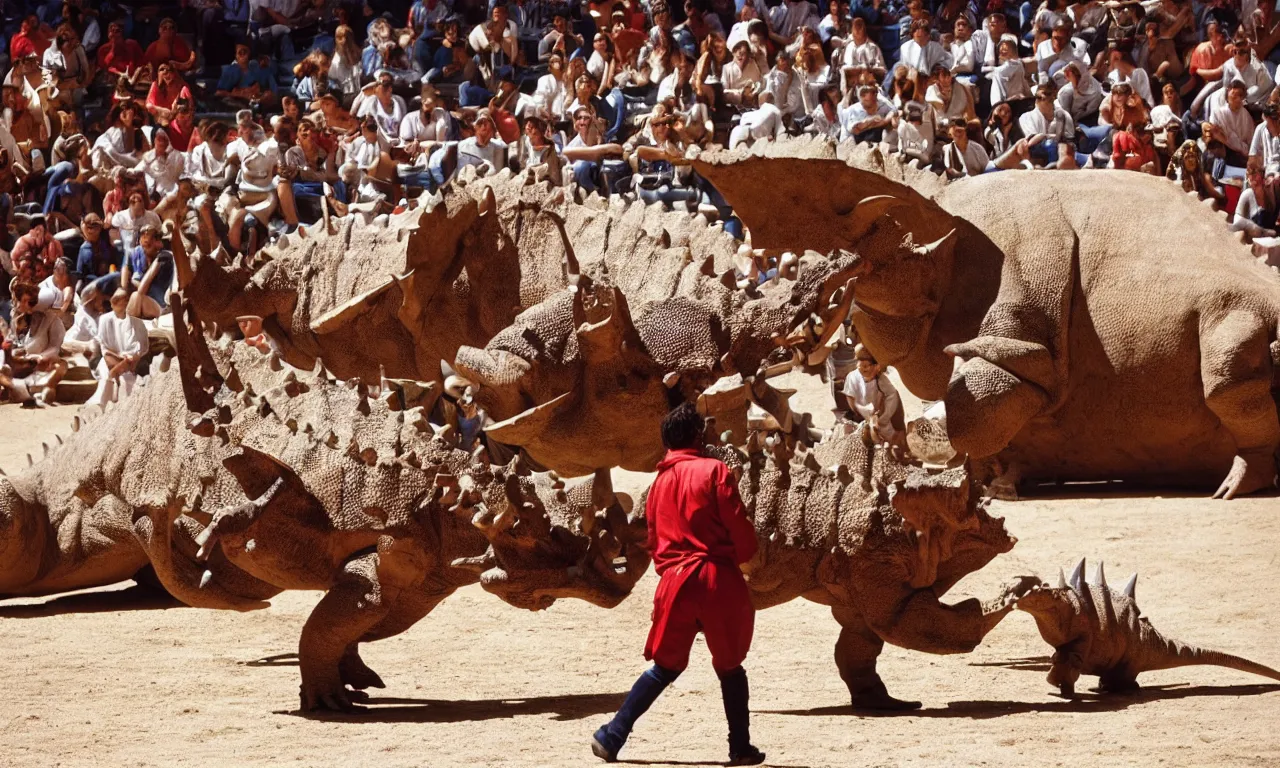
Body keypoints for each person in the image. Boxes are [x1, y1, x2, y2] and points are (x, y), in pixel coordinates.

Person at [591, 402, 765, 767]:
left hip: (675, 582)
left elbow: (654, 540)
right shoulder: (716, 471)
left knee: (664, 667)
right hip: (717, 579)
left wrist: (671, 572)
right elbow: (740, 530)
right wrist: (746, 555)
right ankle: (740, 747)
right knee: (730, 667)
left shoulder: (658, 484)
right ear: (699, 436)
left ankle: (613, 735)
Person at [1, 279, 67, 406]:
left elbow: (55, 347)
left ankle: (45, 388)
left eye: (28, 302)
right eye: (22, 300)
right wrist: (14, 350)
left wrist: (40, 356)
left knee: (60, 366)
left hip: (42, 363)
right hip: (21, 363)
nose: (22, 305)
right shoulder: (17, 318)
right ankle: (19, 390)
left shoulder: (53, 320)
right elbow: (14, 340)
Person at [84, 286, 148, 406]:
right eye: (118, 300)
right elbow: (105, 348)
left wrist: (132, 358)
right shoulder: (105, 320)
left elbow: (142, 347)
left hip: (131, 363)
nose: (122, 303)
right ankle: (101, 403)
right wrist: (119, 357)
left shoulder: (137, 323)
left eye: (125, 300)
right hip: (111, 359)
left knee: (128, 379)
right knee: (107, 373)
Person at [841, 344, 904, 446]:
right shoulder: (852, 377)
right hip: (859, 416)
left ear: (876, 366)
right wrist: (861, 411)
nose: (862, 369)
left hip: (878, 417)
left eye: (866, 366)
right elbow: (851, 398)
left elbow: (892, 395)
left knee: (891, 439)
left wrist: (884, 417)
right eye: (860, 366)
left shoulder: (881, 379)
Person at [120, 224, 173, 319]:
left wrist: (132, 281)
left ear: (158, 242)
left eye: (149, 244)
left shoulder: (164, 257)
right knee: (132, 296)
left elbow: (142, 289)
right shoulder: (137, 253)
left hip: (162, 306)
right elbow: (124, 285)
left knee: (136, 296)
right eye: (143, 244)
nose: (145, 248)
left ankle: (126, 327)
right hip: (144, 301)